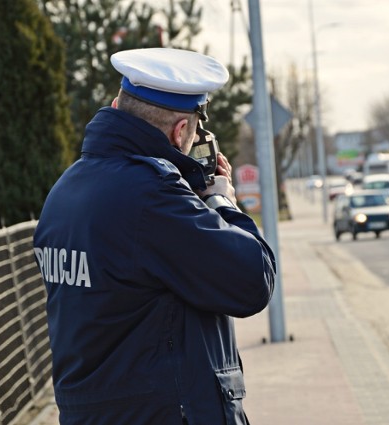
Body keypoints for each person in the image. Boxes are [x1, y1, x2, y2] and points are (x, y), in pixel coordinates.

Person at [32, 48, 276, 425]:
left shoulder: (66, 190)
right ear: (181, 132)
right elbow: (253, 279)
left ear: (117, 104)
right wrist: (222, 201)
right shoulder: (152, 196)